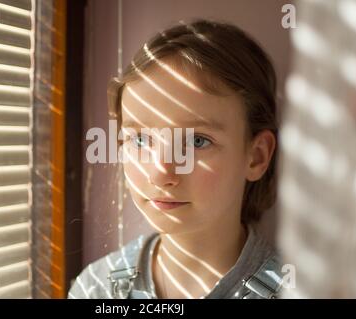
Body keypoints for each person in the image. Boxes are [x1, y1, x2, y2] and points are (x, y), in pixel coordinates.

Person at [68, 19, 283, 299]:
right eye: (141, 139)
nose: (160, 174)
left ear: (256, 157)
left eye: (197, 141)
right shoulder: (97, 290)